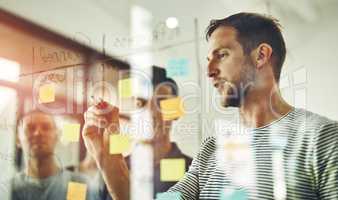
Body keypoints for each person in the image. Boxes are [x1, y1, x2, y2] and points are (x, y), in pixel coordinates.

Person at [82, 12, 338, 199]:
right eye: (207, 59)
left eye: (222, 55)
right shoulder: (211, 149)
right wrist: (109, 159)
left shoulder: (323, 139)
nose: (209, 71)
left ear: (261, 56)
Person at [95, 68, 192, 199]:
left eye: (161, 101)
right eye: (140, 103)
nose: (150, 112)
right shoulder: (115, 169)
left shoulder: (196, 173)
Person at [12, 110, 94, 200]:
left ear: (57, 136)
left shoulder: (77, 184)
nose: (38, 133)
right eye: (30, 128)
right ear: (17, 140)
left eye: (46, 127)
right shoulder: (9, 189)